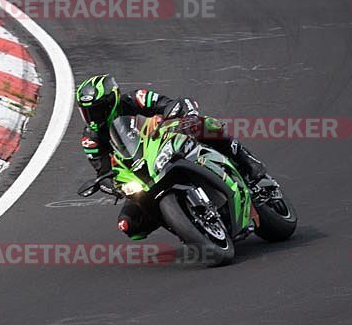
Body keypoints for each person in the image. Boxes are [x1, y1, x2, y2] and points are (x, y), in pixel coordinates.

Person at [76, 74, 266, 239]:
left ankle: (247, 161)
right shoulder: (90, 139)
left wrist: (181, 112)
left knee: (201, 125)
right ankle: (188, 226)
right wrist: (112, 186)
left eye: (96, 109)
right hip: (140, 173)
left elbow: (166, 104)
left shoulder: (135, 99)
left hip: (163, 143)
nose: (92, 116)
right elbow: (104, 171)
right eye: (87, 112)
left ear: (112, 100)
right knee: (128, 224)